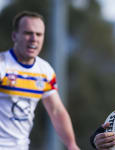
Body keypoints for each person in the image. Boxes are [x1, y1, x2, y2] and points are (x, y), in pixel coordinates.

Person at [0, 11, 80, 150]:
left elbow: (56, 111)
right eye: (27, 33)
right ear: (14, 36)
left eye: (39, 34)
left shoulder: (45, 71)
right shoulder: (2, 65)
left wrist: (71, 144)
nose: (33, 39)